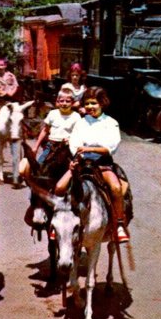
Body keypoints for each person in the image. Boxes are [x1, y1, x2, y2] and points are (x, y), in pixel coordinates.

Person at [51, 87, 128, 243]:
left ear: (102, 104)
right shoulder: (81, 123)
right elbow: (74, 142)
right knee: (59, 187)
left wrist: (90, 148)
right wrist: (77, 157)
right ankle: (56, 221)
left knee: (116, 187)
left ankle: (119, 224)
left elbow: (110, 147)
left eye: (94, 103)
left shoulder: (111, 123)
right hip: (82, 161)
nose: (90, 107)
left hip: (101, 163)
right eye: (87, 104)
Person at [19, 89, 81, 227]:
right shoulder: (53, 114)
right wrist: (36, 146)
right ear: (57, 102)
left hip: (68, 148)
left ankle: (74, 202)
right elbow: (45, 130)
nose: (64, 103)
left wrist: (70, 140)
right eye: (61, 101)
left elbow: (78, 133)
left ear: (72, 103)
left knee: (75, 172)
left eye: (68, 101)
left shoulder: (76, 117)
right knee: (37, 172)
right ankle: (34, 204)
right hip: (51, 147)